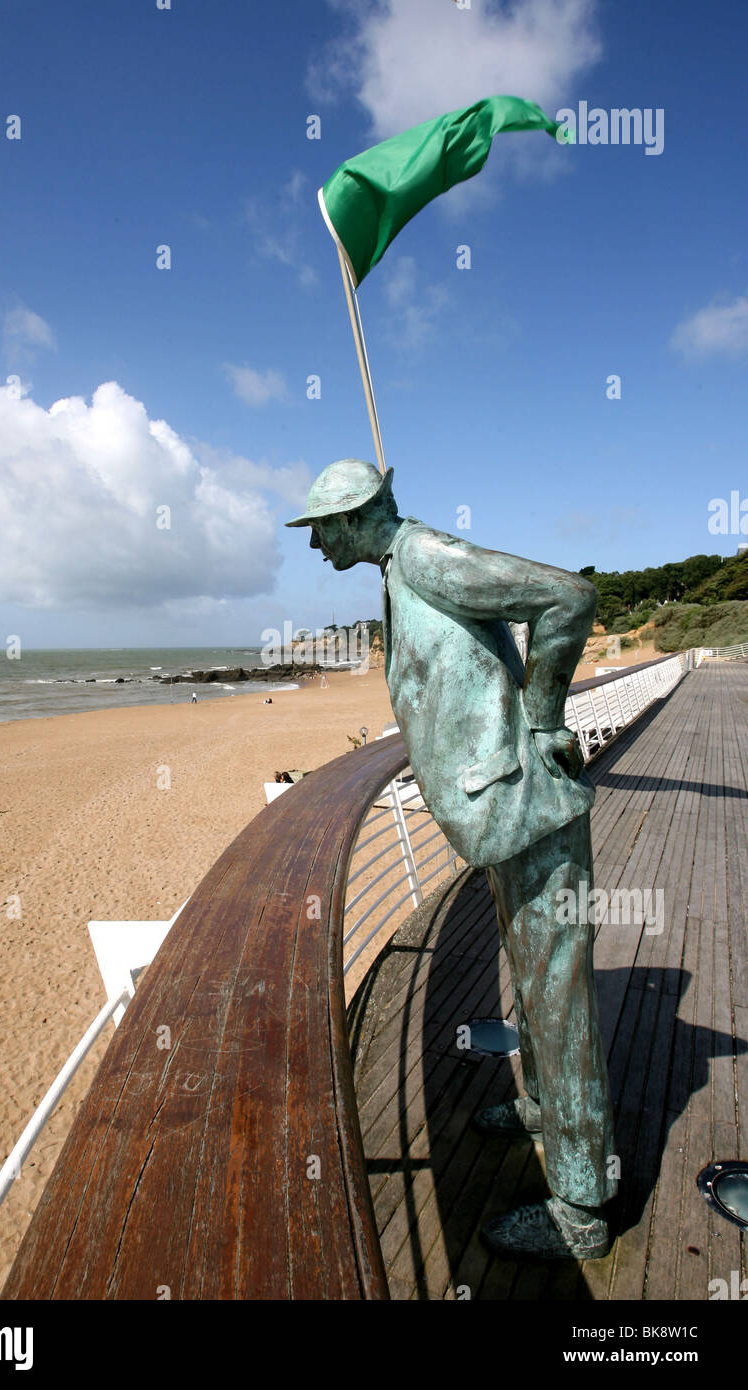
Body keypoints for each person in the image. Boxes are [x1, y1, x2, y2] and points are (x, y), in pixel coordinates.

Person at [286, 458, 616, 1260]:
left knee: (558, 997)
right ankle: (541, 1106)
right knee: (534, 977)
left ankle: (582, 1207)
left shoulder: (426, 557)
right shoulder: (402, 568)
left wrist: (541, 721)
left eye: (321, 528)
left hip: (528, 808)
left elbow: (568, 596)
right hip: (505, 815)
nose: (316, 545)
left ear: (357, 516)